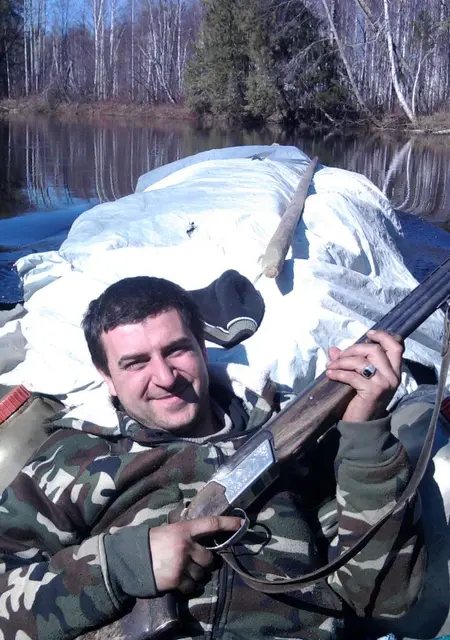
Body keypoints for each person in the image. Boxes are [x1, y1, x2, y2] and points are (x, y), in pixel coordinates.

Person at [0, 276, 424, 640]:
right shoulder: (70, 458)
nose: (164, 377)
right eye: (135, 363)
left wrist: (366, 431)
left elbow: (384, 598)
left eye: (176, 350)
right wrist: (123, 565)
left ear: (202, 348)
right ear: (107, 378)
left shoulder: (301, 437)